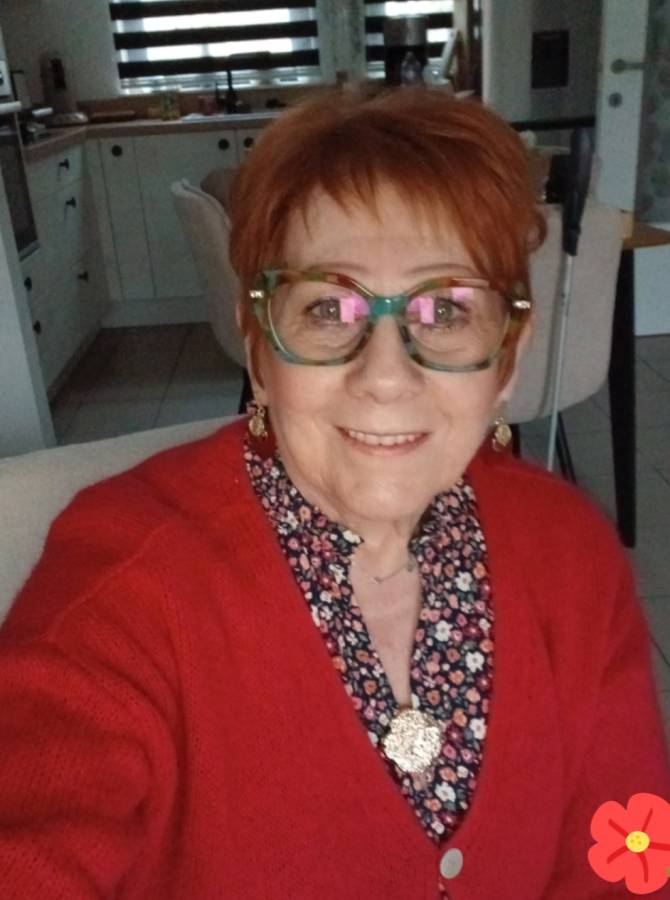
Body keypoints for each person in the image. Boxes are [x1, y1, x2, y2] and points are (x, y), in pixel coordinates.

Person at [0, 87, 668, 900]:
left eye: (446, 309)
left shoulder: (571, 552)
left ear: (508, 357)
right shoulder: (125, 577)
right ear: (258, 346)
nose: (386, 375)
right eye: (327, 308)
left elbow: (626, 860)